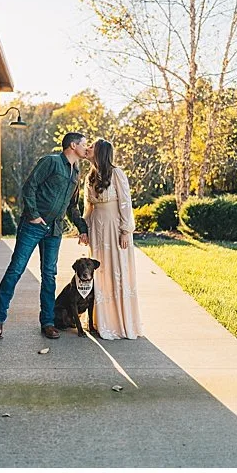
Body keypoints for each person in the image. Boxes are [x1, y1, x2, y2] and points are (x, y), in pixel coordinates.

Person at [0, 131, 90, 340]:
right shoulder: (51, 162)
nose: (86, 148)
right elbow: (30, 187)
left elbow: (72, 206)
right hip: (32, 226)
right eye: (84, 144)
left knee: (49, 275)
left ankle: (48, 323)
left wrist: (82, 228)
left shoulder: (76, 173)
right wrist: (34, 215)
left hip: (54, 230)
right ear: (72, 145)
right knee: (16, 270)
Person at [83, 138, 142, 340]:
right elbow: (88, 207)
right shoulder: (89, 177)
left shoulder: (117, 173)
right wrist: (84, 230)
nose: (88, 148)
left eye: (92, 147)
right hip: (97, 230)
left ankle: (121, 322)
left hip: (115, 228)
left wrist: (126, 230)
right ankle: (102, 321)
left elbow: (126, 202)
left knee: (117, 271)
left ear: (101, 152)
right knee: (101, 273)